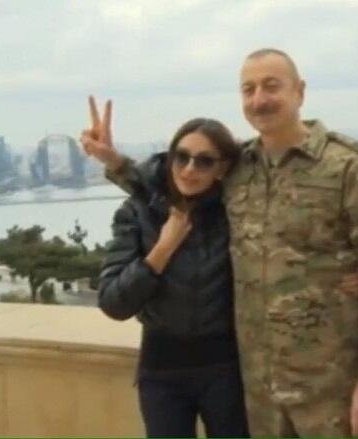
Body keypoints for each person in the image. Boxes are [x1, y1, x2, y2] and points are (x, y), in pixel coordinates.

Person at [86, 48, 358, 437]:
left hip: (331, 386)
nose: (259, 99)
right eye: (248, 89)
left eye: (271, 86)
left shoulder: (348, 167)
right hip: (259, 394)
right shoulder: (239, 168)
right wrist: (114, 162)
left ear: (299, 91)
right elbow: (177, 183)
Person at [82, 101, 250, 438]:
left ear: (222, 168)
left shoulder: (237, 214)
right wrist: (162, 250)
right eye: (181, 157)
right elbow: (113, 303)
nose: (189, 169)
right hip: (162, 373)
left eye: (204, 161)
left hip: (226, 371)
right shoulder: (137, 213)